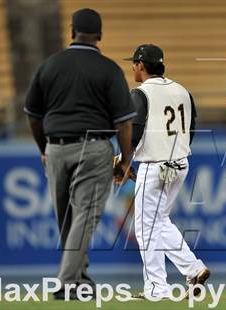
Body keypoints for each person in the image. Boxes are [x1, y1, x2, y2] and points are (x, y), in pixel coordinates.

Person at [24, 8, 136, 300]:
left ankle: (78, 280)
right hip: (94, 147)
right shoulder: (109, 69)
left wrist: (43, 150)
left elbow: (33, 115)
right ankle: (66, 281)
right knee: (84, 217)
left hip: (56, 147)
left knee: (68, 219)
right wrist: (125, 159)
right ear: (99, 35)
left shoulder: (49, 66)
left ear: (71, 32)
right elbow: (124, 121)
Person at [122, 44, 210, 300]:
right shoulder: (182, 90)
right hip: (180, 163)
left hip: (155, 165)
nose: (133, 68)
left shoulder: (140, 93)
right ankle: (194, 268)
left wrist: (124, 161)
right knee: (158, 222)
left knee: (145, 228)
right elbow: (191, 129)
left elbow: (134, 132)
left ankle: (156, 288)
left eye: (134, 63)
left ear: (140, 65)